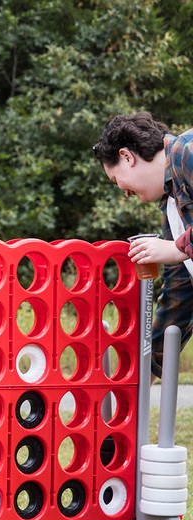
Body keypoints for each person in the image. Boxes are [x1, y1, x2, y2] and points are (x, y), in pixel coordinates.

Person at [93, 111, 193, 378]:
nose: (124, 193)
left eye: (117, 181)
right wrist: (142, 375)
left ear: (127, 156)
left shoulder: (187, 150)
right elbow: (179, 296)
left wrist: (176, 248)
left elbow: (179, 250)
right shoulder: (172, 204)